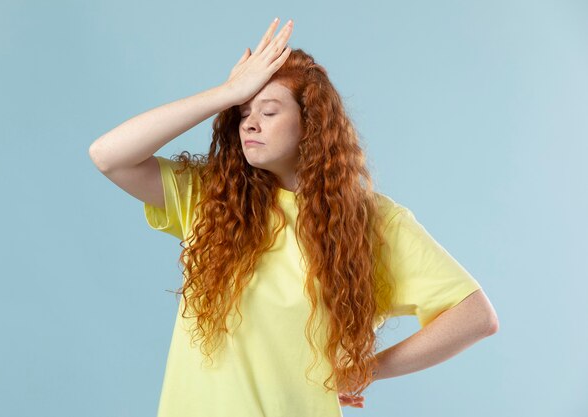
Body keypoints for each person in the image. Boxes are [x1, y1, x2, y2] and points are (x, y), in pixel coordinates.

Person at [88, 17, 499, 417]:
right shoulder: (214, 198)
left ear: (311, 125)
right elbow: (109, 156)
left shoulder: (370, 221)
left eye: (268, 112)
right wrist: (225, 93)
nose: (250, 123)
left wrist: (366, 369)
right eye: (242, 112)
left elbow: (475, 316)